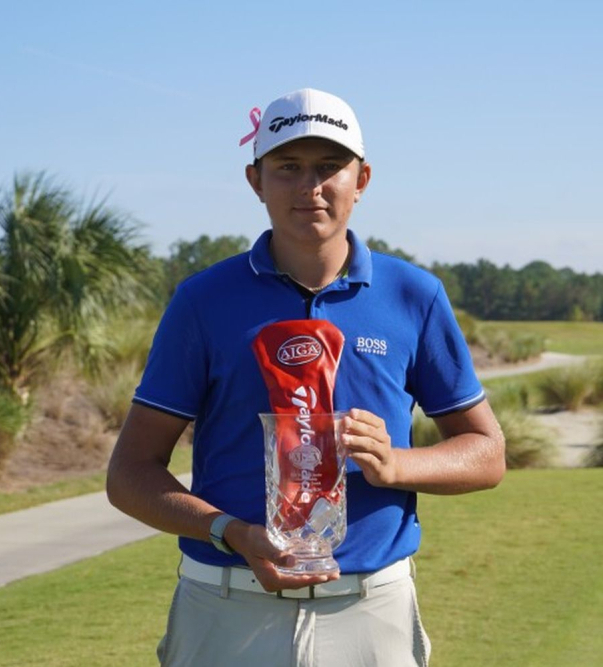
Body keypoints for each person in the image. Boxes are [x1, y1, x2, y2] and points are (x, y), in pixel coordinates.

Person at [106, 88, 506, 667]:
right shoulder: (202, 300)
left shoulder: (414, 295)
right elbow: (130, 473)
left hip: (369, 609)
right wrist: (230, 532)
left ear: (362, 178)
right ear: (255, 180)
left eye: (329, 167)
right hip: (226, 602)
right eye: (287, 167)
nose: (309, 186)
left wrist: (397, 464)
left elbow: (486, 452)